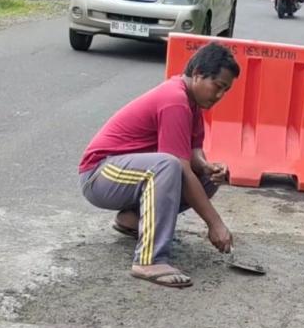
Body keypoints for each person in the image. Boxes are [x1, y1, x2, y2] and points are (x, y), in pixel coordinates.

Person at [78, 42, 240, 288]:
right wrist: (215, 224)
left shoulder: (193, 103)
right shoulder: (174, 99)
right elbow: (179, 167)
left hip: (128, 174)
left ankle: (132, 220)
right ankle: (149, 260)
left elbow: (193, 155)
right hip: (99, 174)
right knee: (168, 166)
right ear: (197, 74)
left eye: (225, 91)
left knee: (205, 177)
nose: (220, 96)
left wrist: (208, 167)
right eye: (217, 86)